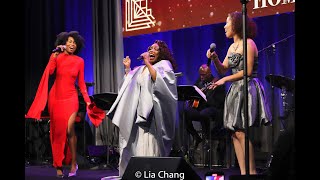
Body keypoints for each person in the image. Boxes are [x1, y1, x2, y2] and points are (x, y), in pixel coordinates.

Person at [26, 31, 99, 178]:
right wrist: (54, 55)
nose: (72, 44)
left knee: (69, 128)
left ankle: (73, 163)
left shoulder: (79, 61)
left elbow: (82, 84)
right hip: (56, 98)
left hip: (71, 97)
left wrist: (87, 100)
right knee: (58, 132)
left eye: (74, 42)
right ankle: (58, 164)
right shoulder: (57, 57)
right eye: (69, 41)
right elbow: (50, 71)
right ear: (64, 43)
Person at [206, 12, 272, 175]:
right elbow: (223, 69)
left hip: (246, 88)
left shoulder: (249, 44)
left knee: (242, 132)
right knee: (235, 133)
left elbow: (247, 71)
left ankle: (252, 172)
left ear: (236, 25)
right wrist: (215, 59)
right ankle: (244, 173)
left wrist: (225, 79)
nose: (224, 26)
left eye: (227, 23)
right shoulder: (231, 47)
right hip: (235, 90)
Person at [107, 40, 178, 177]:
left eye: (155, 49)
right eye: (150, 48)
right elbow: (129, 84)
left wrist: (147, 63)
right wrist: (128, 69)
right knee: (137, 145)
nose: (151, 51)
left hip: (152, 116)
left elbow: (159, 80)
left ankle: (151, 174)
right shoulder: (141, 68)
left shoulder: (164, 65)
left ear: (161, 53)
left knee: (149, 145)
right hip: (138, 115)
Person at [183, 64, 225, 150]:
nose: (201, 77)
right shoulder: (199, 81)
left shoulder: (217, 82)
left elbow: (219, 102)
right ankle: (196, 136)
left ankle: (207, 138)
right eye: (200, 74)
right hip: (200, 108)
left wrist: (206, 96)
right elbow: (194, 91)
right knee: (185, 112)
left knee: (204, 113)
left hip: (214, 109)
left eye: (204, 75)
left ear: (209, 73)